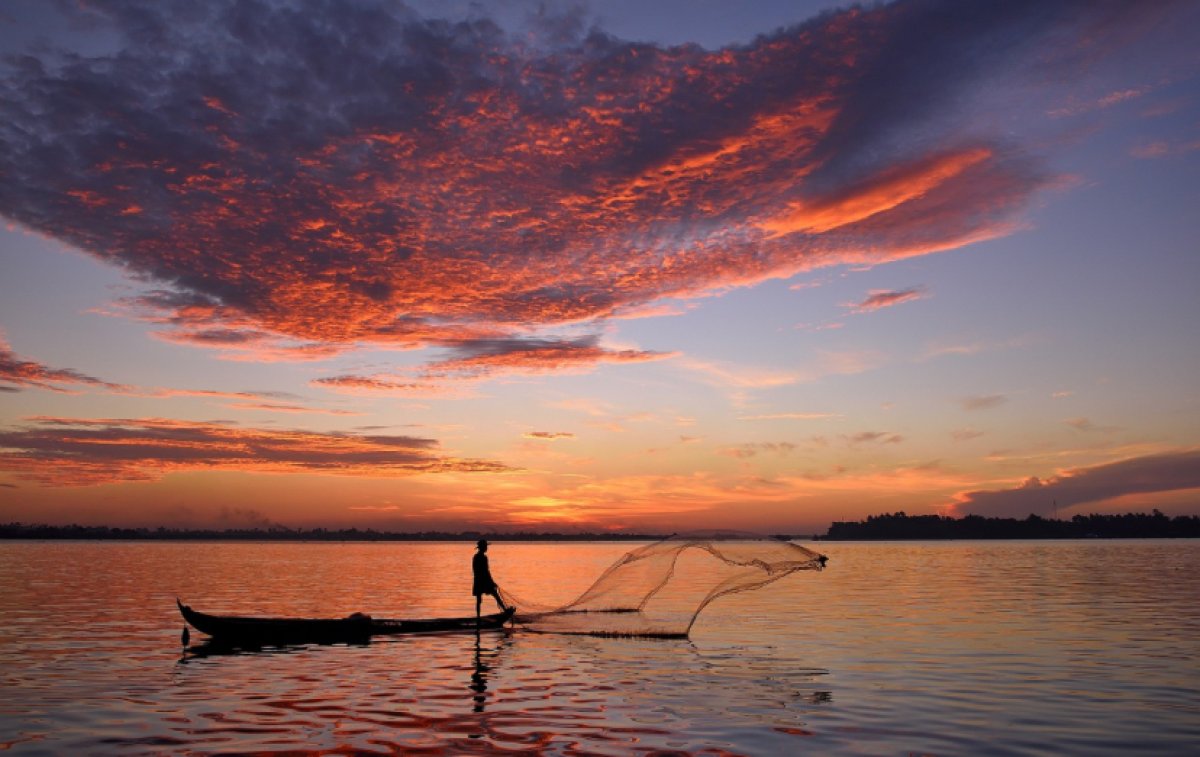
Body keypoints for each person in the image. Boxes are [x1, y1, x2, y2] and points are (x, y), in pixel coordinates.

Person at [472, 539, 508, 617]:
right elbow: (486, 571)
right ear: (482, 547)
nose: (486, 548)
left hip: (477, 580)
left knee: (479, 600)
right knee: (495, 594)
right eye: (485, 547)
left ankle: (478, 617)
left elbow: (475, 570)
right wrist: (492, 582)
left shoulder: (475, 557)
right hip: (484, 580)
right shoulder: (483, 558)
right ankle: (505, 610)